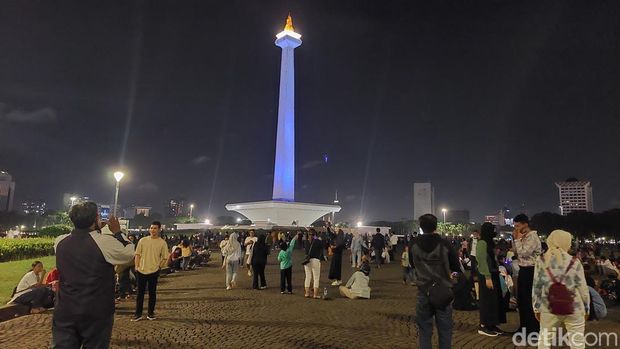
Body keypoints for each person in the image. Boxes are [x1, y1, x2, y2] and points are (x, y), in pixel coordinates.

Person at [52, 202, 134, 349]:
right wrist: (117, 232)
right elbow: (128, 254)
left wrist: (96, 230)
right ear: (96, 218)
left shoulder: (59, 242)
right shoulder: (105, 242)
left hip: (65, 308)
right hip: (95, 309)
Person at [411, 214, 461, 349]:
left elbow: (412, 264)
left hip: (423, 290)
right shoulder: (445, 244)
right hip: (443, 290)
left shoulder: (414, 244)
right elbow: (456, 267)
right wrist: (452, 276)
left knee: (424, 329)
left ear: (420, 227)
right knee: (445, 329)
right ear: (436, 226)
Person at [533, 230, 589, 349]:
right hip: (574, 307)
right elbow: (582, 288)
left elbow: (537, 287)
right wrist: (587, 308)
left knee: (544, 340)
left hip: (548, 306)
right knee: (577, 342)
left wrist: (536, 308)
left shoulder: (541, 260)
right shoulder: (575, 261)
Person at [132, 221, 169, 321]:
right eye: (151, 228)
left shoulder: (162, 243)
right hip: (141, 270)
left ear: (159, 229)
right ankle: (138, 314)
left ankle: (150, 313)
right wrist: (136, 266)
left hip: (154, 271)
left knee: (152, 293)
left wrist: (159, 267)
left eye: (155, 228)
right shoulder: (142, 240)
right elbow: (137, 254)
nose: (153, 230)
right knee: (140, 293)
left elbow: (165, 257)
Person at [512, 214, 542, 335]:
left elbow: (524, 252)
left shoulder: (532, 237)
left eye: (518, 226)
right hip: (523, 270)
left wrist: (518, 239)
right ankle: (524, 327)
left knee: (529, 301)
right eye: (515, 226)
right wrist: (516, 239)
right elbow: (515, 251)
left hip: (531, 271)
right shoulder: (522, 237)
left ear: (525, 224)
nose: (516, 229)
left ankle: (532, 328)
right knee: (522, 301)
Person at [476, 222, 507, 336]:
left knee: (494, 301)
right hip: (486, 275)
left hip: (493, 273)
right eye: (493, 229)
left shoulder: (489, 243)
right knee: (487, 300)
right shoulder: (482, 243)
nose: (495, 231)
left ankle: (492, 324)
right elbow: (482, 261)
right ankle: (484, 325)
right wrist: (487, 277)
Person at [304, 229, 325, 299]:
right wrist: (317, 238)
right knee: (316, 278)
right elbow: (322, 246)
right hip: (315, 260)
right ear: (315, 234)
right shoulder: (318, 241)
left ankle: (307, 293)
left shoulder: (306, 242)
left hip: (307, 261)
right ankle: (315, 295)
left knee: (308, 277)